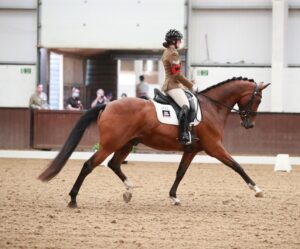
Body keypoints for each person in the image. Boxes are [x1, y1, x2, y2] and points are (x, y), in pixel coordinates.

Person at [161, 29, 198, 145]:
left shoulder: (167, 51)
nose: (180, 42)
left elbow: (174, 74)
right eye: (179, 40)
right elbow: (176, 75)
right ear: (174, 41)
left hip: (173, 84)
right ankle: (183, 134)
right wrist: (191, 85)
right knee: (185, 105)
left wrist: (185, 83)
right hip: (172, 85)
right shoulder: (173, 53)